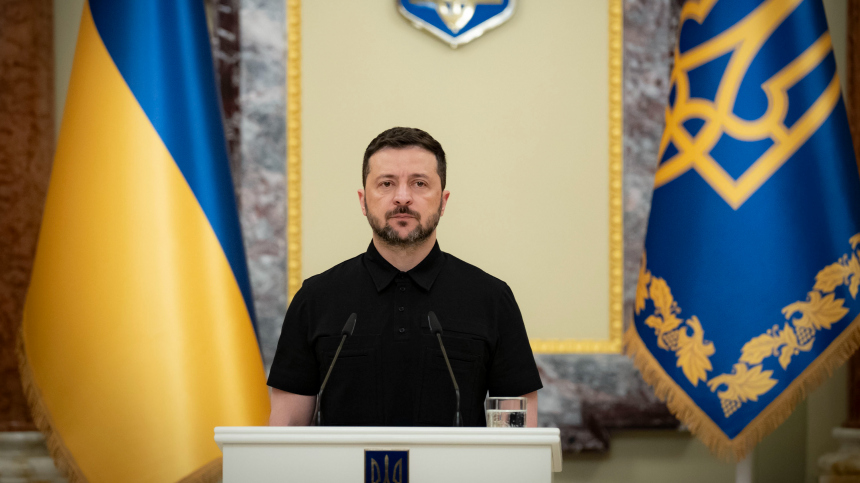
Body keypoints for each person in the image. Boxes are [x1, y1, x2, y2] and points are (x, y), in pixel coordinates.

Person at [267, 127, 542, 427]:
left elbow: (519, 435)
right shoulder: (315, 298)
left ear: (443, 201)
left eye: (419, 183)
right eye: (386, 183)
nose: (402, 197)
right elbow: (285, 432)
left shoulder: (491, 298)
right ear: (363, 200)